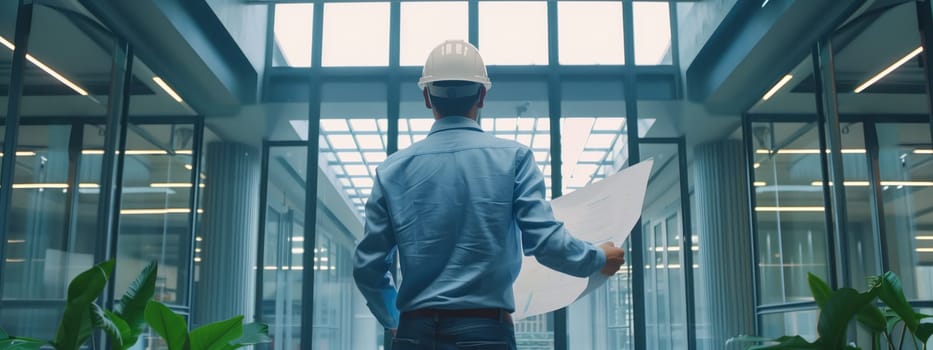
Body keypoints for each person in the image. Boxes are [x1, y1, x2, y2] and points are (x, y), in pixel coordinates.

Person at [353, 40, 626, 349]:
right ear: (482, 95)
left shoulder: (392, 171)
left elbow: (367, 267)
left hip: (414, 333)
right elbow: (546, 243)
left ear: (427, 97)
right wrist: (598, 258)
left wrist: (393, 318)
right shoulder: (515, 159)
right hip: (486, 333)